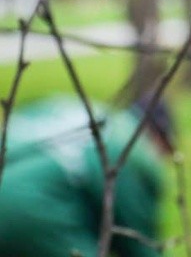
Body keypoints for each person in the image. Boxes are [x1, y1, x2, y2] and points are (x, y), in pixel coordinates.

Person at [0, 95, 174, 257]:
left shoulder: (77, 109)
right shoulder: (132, 148)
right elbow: (136, 242)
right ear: (158, 137)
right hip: (30, 210)